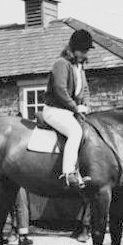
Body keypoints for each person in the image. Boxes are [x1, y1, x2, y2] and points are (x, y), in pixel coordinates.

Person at [43, 29, 93, 189]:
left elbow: (85, 90)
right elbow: (60, 90)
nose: (85, 55)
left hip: (71, 111)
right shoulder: (61, 64)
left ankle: (82, 171)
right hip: (54, 110)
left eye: (86, 51)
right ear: (74, 49)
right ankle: (69, 173)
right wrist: (75, 108)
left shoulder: (79, 68)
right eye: (83, 51)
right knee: (75, 132)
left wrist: (85, 106)